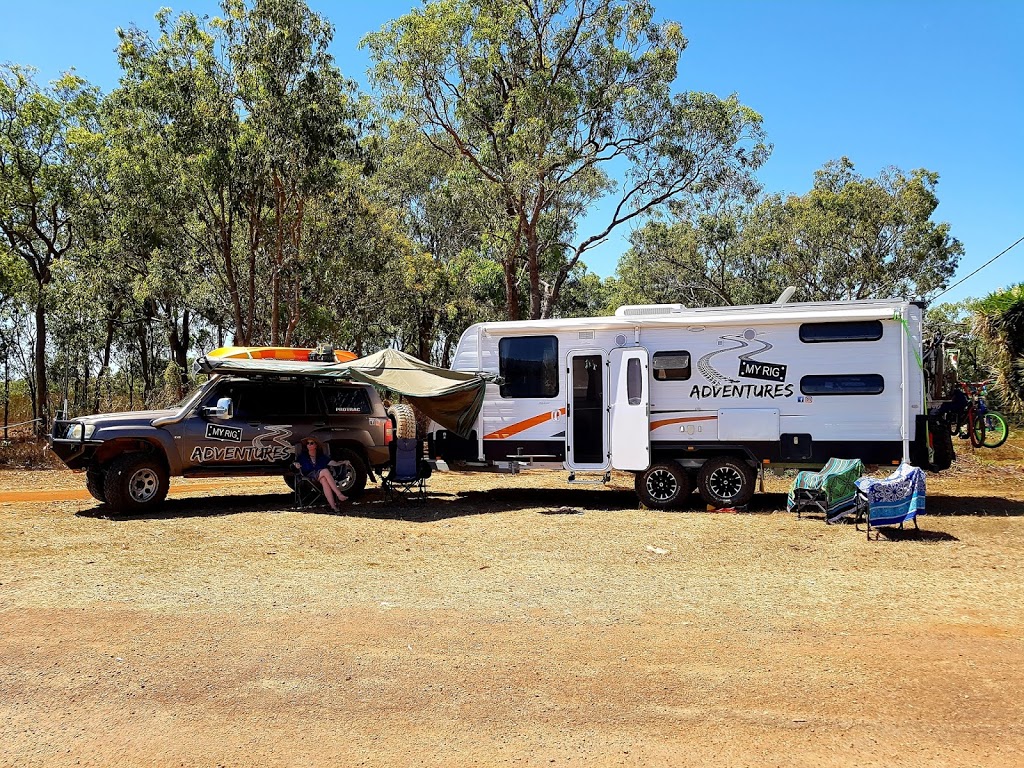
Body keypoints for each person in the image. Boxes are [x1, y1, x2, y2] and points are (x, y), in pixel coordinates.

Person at [293, 437, 347, 511]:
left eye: (311, 443)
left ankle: (333, 507)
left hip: (319, 476)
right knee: (325, 471)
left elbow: (333, 463)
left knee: (324, 480)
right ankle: (338, 494)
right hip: (308, 477)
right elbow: (295, 463)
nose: (309, 445)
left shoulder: (321, 457)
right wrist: (296, 464)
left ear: (316, 445)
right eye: (308, 443)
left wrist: (343, 462)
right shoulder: (303, 456)